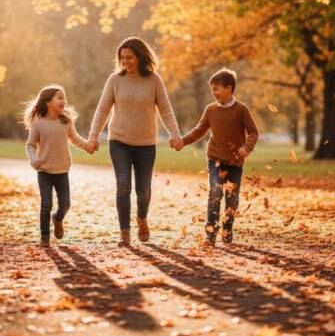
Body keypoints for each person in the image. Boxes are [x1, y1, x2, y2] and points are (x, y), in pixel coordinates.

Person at [86, 37, 183, 247]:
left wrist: (174, 134)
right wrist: (93, 137)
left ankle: (141, 218)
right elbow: (102, 110)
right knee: (123, 186)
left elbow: (166, 109)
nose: (125, 62)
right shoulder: (115, 80)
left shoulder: (154, 80)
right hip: (119, 141)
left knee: (144, 191)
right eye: (122, 58)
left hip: (146, 144)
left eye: (129, 57)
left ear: (140, 57)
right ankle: (124, 233)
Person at [180, 68, 259, 245]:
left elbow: (253, 132)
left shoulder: (241, 110)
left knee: (232, 198)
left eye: (216, 89)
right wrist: (183, 141)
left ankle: (227, 227)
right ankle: (210, 231)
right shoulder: (210, 110)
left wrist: (246, 147)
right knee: (215, 192)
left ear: (229, 88)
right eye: (211, 90)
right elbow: (200, 130)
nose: (214, 93)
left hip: (235, 162)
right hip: (215, 159)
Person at [24, 85, 87, 247]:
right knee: (46, 204)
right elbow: (30, 145)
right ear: (48, 102)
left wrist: (87, 146)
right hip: (44, 170)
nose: (63, 101)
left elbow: (75, 139)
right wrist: (33, 160)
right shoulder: (38, 123)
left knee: (65, 204)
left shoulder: (65, 121)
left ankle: (57, 219)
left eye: (64, 97)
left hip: (62, 170)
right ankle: (45, 237)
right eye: (59, 97)